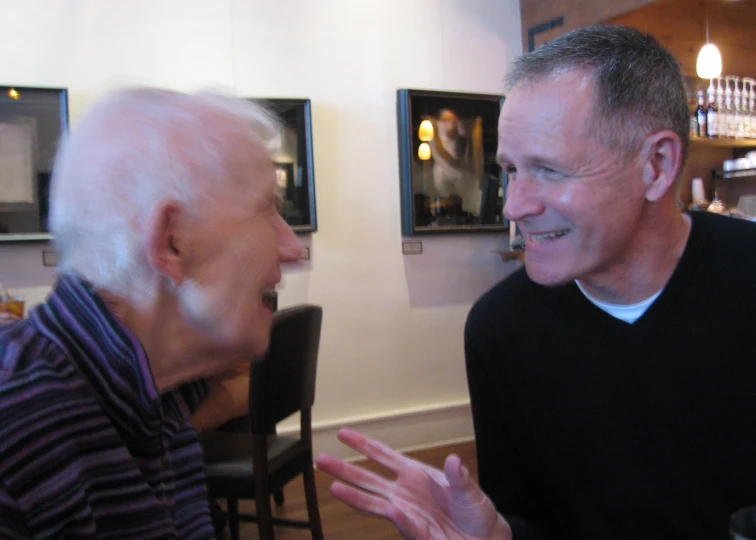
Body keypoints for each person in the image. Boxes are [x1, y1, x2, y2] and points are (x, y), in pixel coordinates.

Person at [316, 25, 756, 539]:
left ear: (656, 166)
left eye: (548, 169)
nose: (514, 205)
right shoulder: (502, 329)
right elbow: (530, 519)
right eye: (510, 170)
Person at [0, 88, 301, 538]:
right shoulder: (14, 436)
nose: (292, 248)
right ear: (171, 242)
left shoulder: (156, 406)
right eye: (265, 210)